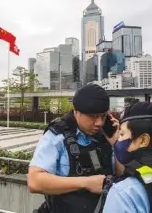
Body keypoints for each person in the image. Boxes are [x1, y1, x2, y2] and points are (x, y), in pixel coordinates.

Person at [28, 84, 121, 213]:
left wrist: (117, 145)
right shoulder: (57, 136)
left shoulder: (104, 136)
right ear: (76, 111)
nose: (99, 122)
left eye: (103, 116)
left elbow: (121, 175)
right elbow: (34, 181)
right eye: (93, 116)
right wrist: (86, 183)